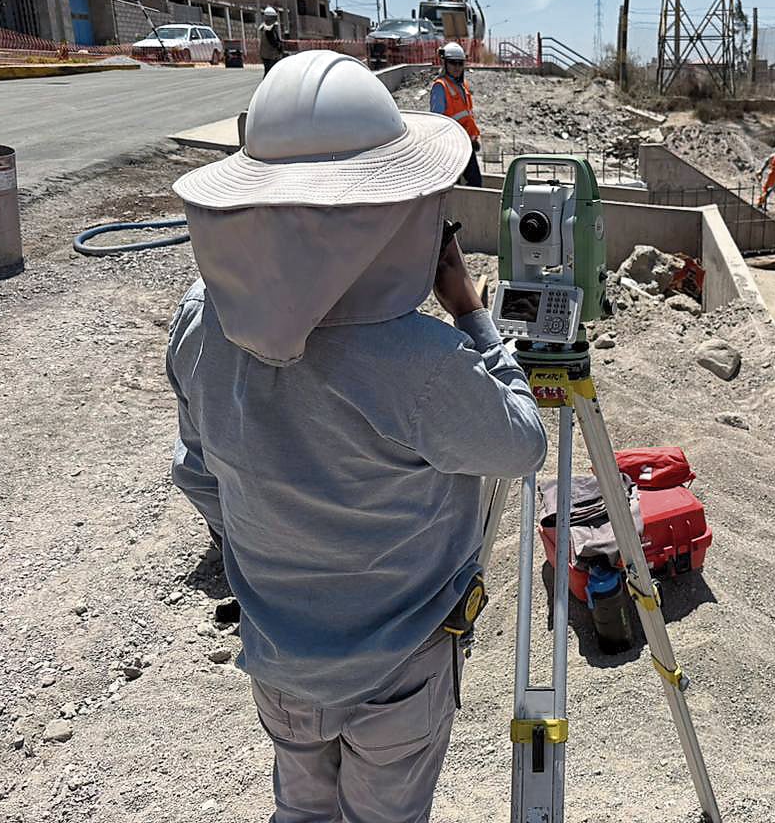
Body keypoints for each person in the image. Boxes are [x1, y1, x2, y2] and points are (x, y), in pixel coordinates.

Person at [166, 50, 548, 823]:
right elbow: (522, 445)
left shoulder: (201, 320)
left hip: (279, 657)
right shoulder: (420, 363)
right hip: (398, 672)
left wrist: (286, 551)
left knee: (301, 814)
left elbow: (199, 474)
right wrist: (471, 314)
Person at [429, 41, 483, 187]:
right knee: (455, 184)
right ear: (445, 63)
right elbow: (437, 120)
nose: (457, 67)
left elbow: (467, 116)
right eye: (453, 63)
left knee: (475, 182)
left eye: (460, 63)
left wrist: (473, 138)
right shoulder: (440, 86)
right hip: (451, 146)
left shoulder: (463, 85)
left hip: (466, 143)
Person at [258, 6, 285, 75]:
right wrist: (279, 47)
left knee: (268, 72)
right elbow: (273, 42)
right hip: (270, 55)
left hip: (265, 54)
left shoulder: (264, 27)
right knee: (270, 73)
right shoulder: (268, 29)